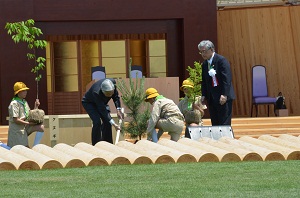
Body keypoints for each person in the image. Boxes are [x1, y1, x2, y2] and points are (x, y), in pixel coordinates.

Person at [198, 40, 235, 125]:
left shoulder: (221, 60)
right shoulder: (204, 64)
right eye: (201, 52)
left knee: (224, 123)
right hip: (212, 98)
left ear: (211, 49)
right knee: (215, 123)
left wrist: (224, 94)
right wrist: (204, 95)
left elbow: (227, 79)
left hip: (223, 97)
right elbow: (204, 81)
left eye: (204, 51)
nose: (203, 54)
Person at [82, 78, 124, 145]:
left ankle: (108, 143)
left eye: (111, 93)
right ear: (102, 91)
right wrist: (114, 124)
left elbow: (116, 97)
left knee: (107, 122)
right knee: (97, 121)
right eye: (107, 94)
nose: (110, 95)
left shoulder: (113, 84)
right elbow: (103, 110)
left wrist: (118, 110)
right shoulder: (96, 92)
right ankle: (96, 144)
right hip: (89, 103)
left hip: (102, 103)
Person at [7, 82, 44, 148]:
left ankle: (35, 147)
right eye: (23, 91)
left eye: (25, 90)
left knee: (41, 127)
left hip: (25, 127)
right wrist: (29, 123)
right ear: (18, 92)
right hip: (17, 130)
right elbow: (16, 120)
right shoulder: (14, 103)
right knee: (16, 148)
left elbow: (29, 114)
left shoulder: (24, 102)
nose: (26, 92)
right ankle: (1, 145)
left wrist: (36, 106)